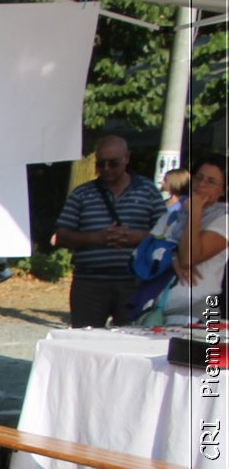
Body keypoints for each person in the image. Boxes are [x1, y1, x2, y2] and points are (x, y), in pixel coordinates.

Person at [54, 136, 165, 329]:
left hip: (134, 282)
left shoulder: (148, 191)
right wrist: (97, 238)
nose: (106, 169)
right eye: (101, 163)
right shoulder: (82, 194)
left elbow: (166, 234)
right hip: (89, 282)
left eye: (113, 163)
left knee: (132, 340)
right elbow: (62, 236)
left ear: (127, 158)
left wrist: (136, 238)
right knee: (85, 340)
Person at [162, 154, 227, 324]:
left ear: (223, 190)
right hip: (158, 307)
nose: (201, 184)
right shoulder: (175, 214)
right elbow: (149, 249)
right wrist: (172, 257)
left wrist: (195, 212)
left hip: (199, 309)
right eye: (199, 177)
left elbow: (189, 258)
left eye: (211, 181)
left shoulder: (225, 219)